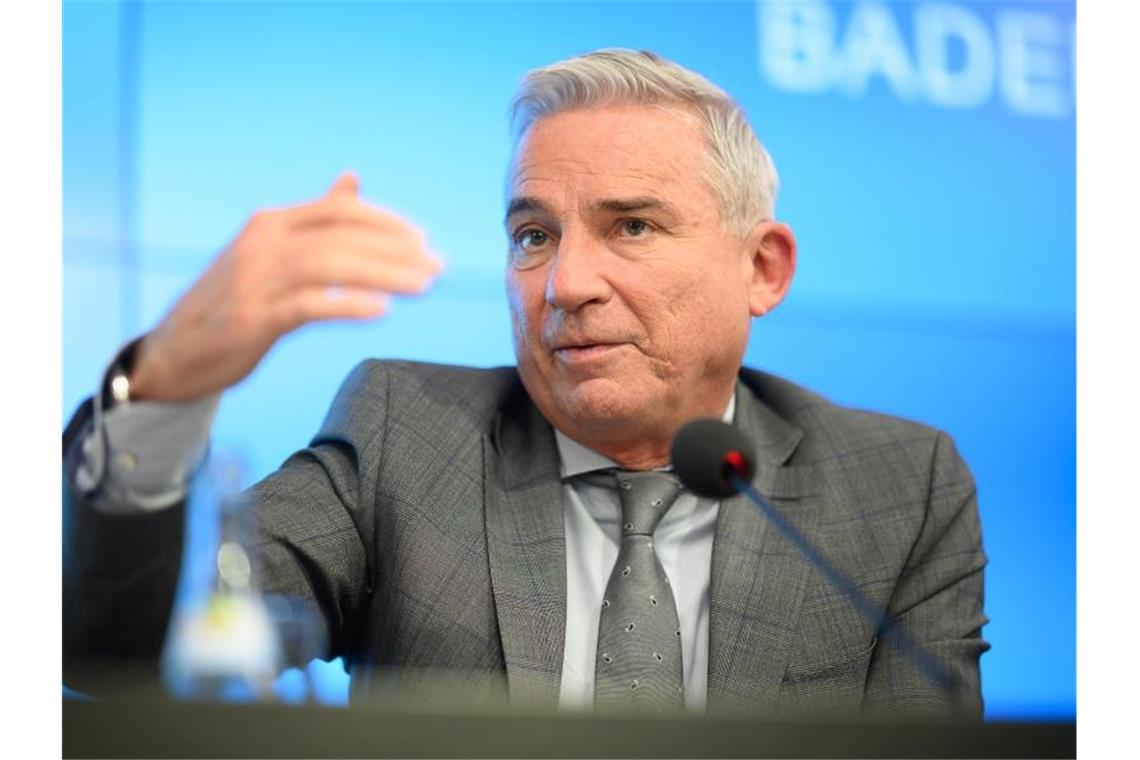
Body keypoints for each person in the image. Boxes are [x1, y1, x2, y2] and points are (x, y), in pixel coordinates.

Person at [63, 49, 988, 717]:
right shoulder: (404, 433)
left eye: (631, 226)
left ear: (763, 269)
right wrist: (164, 394)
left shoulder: (897, 487)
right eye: (533, 235)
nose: (565, 284)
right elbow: (134, 657)